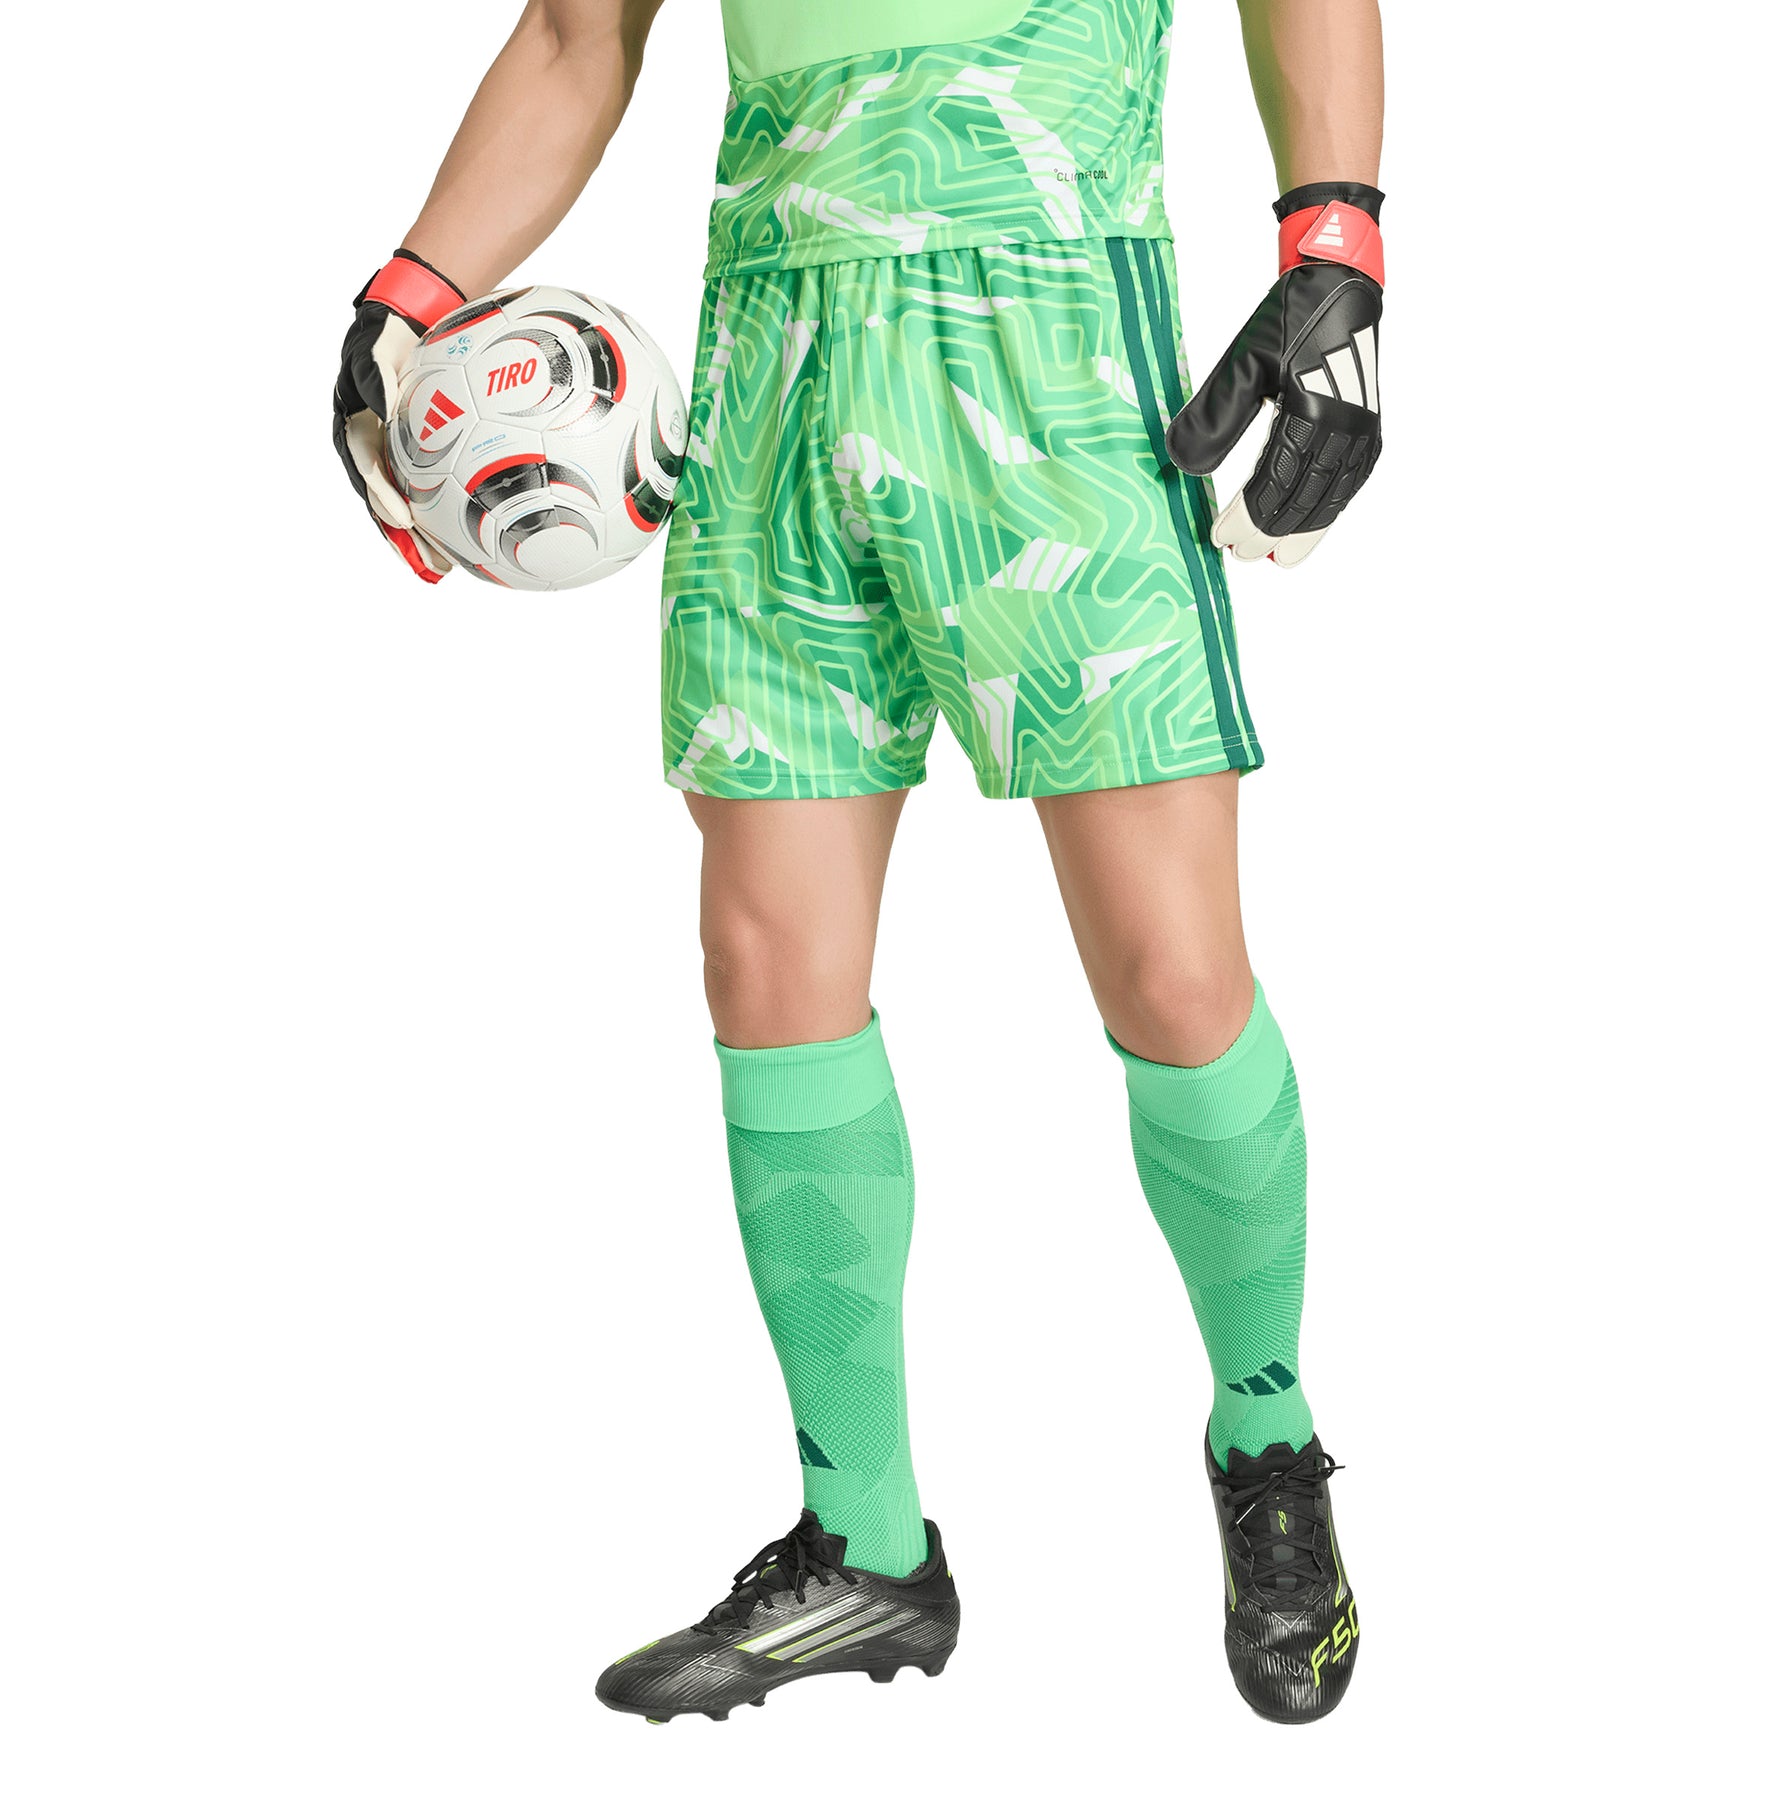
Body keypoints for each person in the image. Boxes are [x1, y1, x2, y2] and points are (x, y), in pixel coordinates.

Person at [333, 0, 1385, 1728]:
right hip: (771, 351)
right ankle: (868, 1543)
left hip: (1045, 317)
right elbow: (582, 33)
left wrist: (1333, 240)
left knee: (1176, 968)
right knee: (767, 962)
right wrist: (409, 295)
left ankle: (1268, 1443)